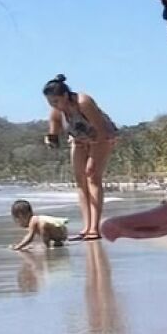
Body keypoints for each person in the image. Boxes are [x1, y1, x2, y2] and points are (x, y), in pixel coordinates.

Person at [43, 74, 118, 241]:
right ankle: (86, 226)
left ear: (65, 95)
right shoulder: (57, 112)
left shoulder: (83, 102)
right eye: (50, 102)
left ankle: (94, 227)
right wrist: (50, 139)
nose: (54, 105)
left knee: (92, 176)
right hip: (78, 140)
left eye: (55, 101)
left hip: (102, 136)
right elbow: (53, 132)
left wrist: (92, 157)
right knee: (80, 180)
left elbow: (101, 130)